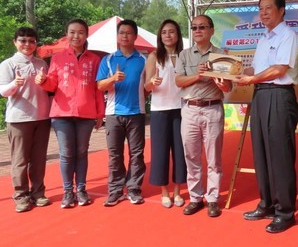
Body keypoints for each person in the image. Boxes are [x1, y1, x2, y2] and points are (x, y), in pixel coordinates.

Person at [234, 0, 298, 234]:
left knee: (280, 156)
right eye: (260, 8)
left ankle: (285, 211)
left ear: (282, 10)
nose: (263, 13)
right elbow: (258, 68)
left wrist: (251, 78)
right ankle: (267, 203)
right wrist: (235, 71)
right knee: (261, 152)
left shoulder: (288, 35)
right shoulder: (263, 38)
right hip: (260, 95)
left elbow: (280, 69)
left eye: (268, 8)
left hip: (279, 96)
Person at [37, 19, 105, 208]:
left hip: (86, 113)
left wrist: (100, 114)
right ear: (66, 34)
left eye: (81, 32)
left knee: (82, 153)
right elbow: (52, 84)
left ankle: (81, 189)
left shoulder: (94, 60)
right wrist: (43, 81)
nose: (76, 36)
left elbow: (98, 89)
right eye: (72, 32)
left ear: (86, 35)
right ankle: (68, 192)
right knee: (67, 154)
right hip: (61, 114)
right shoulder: (58, 58)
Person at [175, 14, 231, 218]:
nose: (198, 31)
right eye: (194, 27)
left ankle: (213, 199)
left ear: (212, 30)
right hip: (189, 109)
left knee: (214, 158)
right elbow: (178, 81)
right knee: (191, 156)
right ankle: (196, 198)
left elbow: (227, 86)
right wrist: (198, 76)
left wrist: (220, 81)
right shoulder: (185, 55)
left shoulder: (221, 55)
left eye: (202, 27)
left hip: (212, 108)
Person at [0, 27, 52, 213]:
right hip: (19, 119)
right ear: (15, 42)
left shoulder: (41, 64)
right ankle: (21, 196)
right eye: (23, 40)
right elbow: (3, 91)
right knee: (20, 160)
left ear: (36, 44)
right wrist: (15, 83)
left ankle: (38, 193)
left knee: (38, 159)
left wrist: (45, 81)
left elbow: (49, 88)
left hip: (42, 117)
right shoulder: (8, 64)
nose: (27, 44)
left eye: (31, 41)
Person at [96, 19, 147, 207]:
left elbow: (147, 86)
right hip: (113, 114)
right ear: (117, 36)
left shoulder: (143, 60)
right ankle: (116, 190)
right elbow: (100, 85)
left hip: (137, 113)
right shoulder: (108, 60)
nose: (125, 36)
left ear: (135, 36)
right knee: (115, 154)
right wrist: (113, 79)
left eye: (128, 33)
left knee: (137, 154)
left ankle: (133, 189)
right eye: (121, 33)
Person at [144, 19, 186, 208]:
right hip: (160, 109)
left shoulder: (185, 56)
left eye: (171, 32)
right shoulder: (154, 56)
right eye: (164, 32)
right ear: (160, 37)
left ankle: (178, 191)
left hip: (181, 108)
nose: (168, 35)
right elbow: (146, 86)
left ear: (177, 35)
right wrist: (152, 82)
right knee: (160, 152)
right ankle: (164, 192)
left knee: (180, 151)